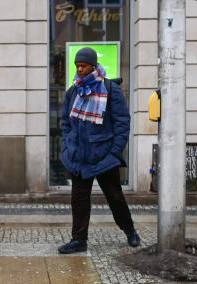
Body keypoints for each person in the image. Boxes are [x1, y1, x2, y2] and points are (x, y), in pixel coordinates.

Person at [58, 47, 140, 254]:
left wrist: (114, 152)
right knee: (79, 200)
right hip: (78, 156)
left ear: (94, 66)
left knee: (115, 197)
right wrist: (69, 145)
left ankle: (130, 231)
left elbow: (122, 123)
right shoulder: (73, 91)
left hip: (104, 156)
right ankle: (79, 240)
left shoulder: (111, 89)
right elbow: (65, 122)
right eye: (77, 66)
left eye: (83, 66)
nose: (80, 69)